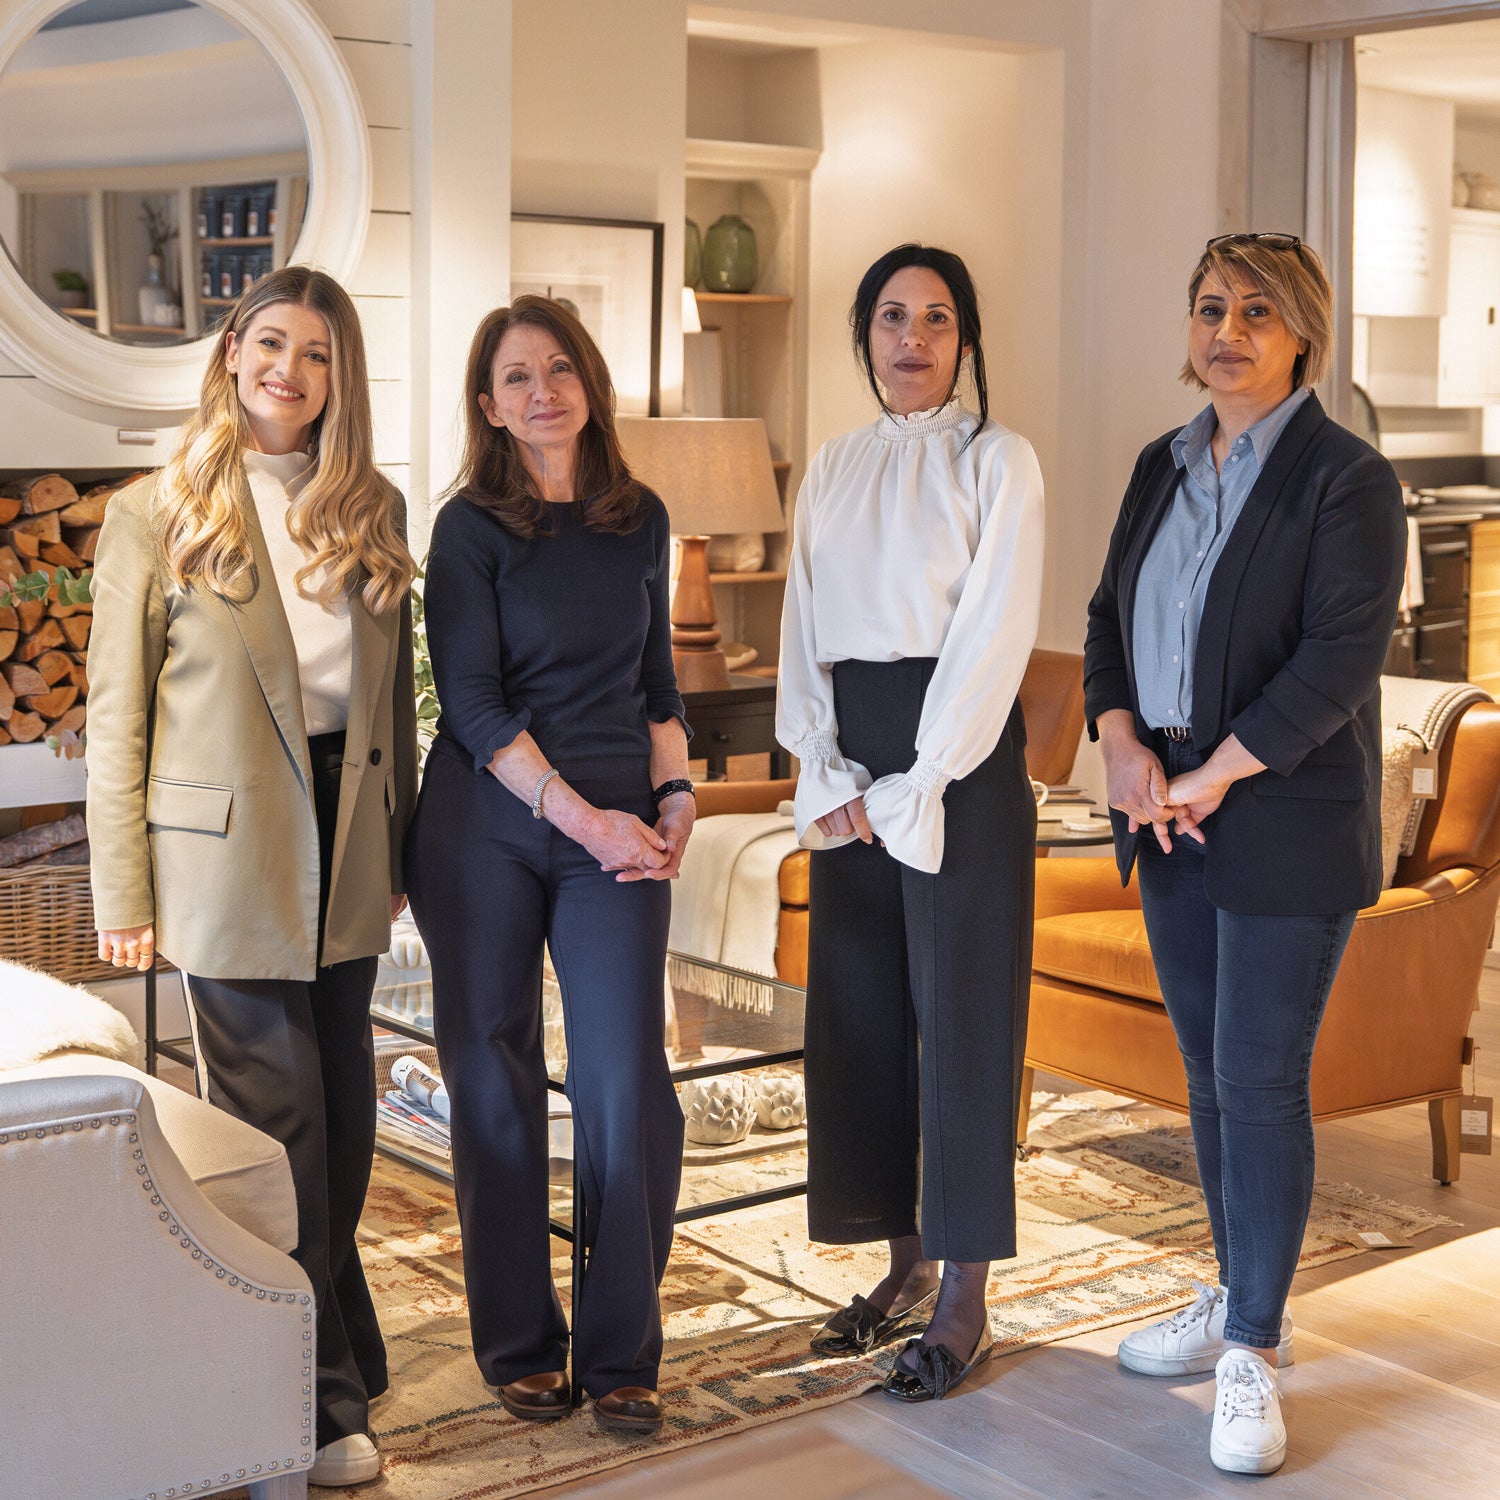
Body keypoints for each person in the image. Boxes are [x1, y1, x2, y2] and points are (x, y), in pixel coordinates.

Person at [87, 266, 418, 1488]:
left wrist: (396, 846)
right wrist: (124, 894)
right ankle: (315, 1404)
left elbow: (394, 702)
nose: (290, 369)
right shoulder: (155, 510)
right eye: (271, 343)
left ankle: (341, 1336)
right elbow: (117, 717)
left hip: (348, 842)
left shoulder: (369, 506)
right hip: (225, 861)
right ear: (233, 352)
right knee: (282, 1129)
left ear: (340, 376)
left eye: (317, 352)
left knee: (349, 1124)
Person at [1084, 233, 1405, 1475]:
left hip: (1280, 812)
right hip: (1164, 811)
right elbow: (1109, 618)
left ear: (1302, 333)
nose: (1227, 331)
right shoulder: (1159, 466)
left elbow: (1337, 661)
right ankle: (1235, 1293)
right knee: (1210, 1078)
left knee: (1260, 1078)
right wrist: (1121, 742)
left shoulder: (1347, 479)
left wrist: (1212, 771)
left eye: (1257, 312)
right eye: (1211, 307)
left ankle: (1254, 1353)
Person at [404, 296, 692, 1437]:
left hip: (615, 824)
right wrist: (589, 819)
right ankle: (520, 1344)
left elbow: (658, 682)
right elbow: (473, 705)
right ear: (488, 405)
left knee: (627, 1080)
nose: (542, 392)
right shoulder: (468, 529)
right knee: (495, 1072)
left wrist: (675, 794)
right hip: (487, 823)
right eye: (517, 377)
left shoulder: (641, 518)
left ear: (590, 384)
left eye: (560, 369)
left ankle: (622, 1352)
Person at [776, 243, 1044, 1402]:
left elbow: (994, 632)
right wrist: (820, 763)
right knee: (864, 1014)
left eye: (937, 318)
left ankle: (966, 1293)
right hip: (851, 760)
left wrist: (922, 776)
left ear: (965, 340)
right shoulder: (832, 467)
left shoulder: (1000, 461)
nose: (913, 338)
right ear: (866, 337)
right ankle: (904, 1259)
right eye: (892, 317)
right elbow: (801, 625)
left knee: (965, 1021)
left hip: (960, 763)